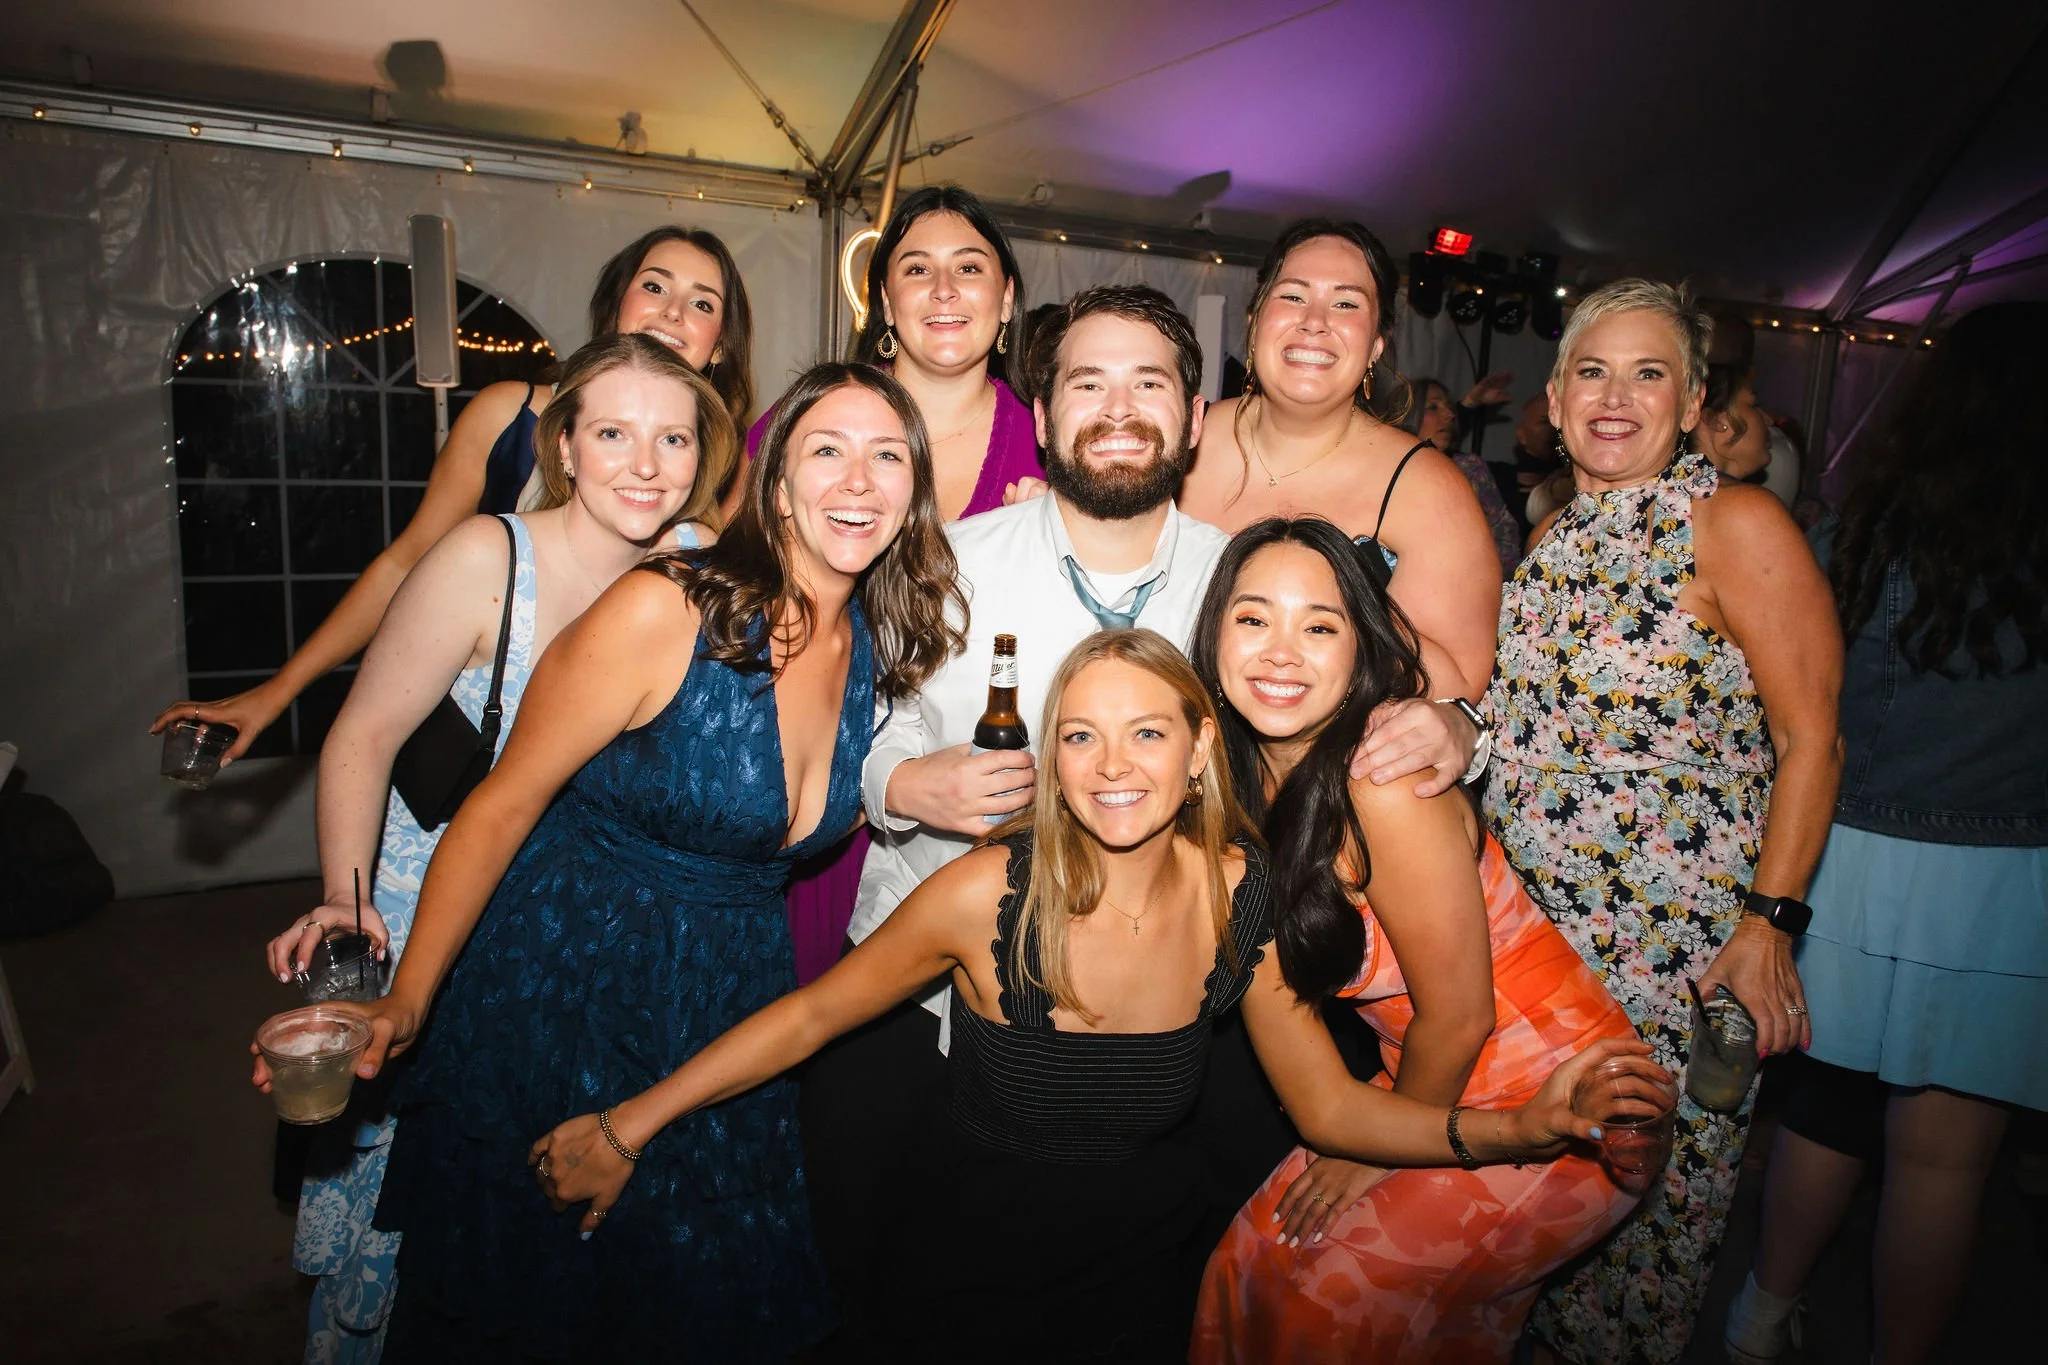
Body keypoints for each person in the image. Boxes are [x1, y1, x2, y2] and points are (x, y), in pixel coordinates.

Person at [527, 628, 1670, 1363]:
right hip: (964, 1271)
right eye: (1080, 736)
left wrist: (1517, 1127)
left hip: (1136, 1276)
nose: (1112, 766)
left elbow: (1327, 1111)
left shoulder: (1239, 894)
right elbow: (812, 1015)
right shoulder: (985, 896)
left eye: (1143, 734)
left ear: (1196, 750)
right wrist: (632, 1122)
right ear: (1051, 756)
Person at [804, 283, 1484, 1352]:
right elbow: (846, 734)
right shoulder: (944, 559)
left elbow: (1389, 679)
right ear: (1042, 414)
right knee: (899, 1297)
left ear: (1194, 416)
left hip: (1163, 1034)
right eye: (1086, 382)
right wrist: (900, 787)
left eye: (1148, 383)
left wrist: (1454, 723)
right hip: (932, 1003)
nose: (1116, 408)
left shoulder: (1243, 579)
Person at [255, 362, 964, 1360]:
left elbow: (811, 821)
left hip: (727, 1015)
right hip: (566, 998)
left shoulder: (873, 640)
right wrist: (408, 999)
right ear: (774, 482)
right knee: (539, 1311)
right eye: (826, 451)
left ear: (913, 487)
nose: (858, 481)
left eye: (886, 455)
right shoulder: (667, 608)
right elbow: (501, 808)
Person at [256, 334, 730, 1364]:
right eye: (612, 433)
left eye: (672, 438)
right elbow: (366, 734)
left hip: (578, 936)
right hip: (437, 909)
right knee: (398, 1226)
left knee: (532, 1223)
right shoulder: (487, 556)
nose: (645, 465)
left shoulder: (697, 565)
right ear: (563, 442)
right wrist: (345, 902)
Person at [1484, 279, 1843, 1365]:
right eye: (1590, 370)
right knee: (1531, 1222)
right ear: (1551, 394)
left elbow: (1810, 741)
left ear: (1690, 402)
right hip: (1538, 943)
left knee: (1639, 1235)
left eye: (1648, 374)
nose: (1614, 396)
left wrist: (1767, 926)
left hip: (1668, 952)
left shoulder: (1731, 522)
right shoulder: (1552, 524)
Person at [1186, 517, 1646, 1361]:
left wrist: (1380, 1157)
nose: (1281, 651)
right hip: (1430, 1076)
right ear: (1213, 634)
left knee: (1322, 1300)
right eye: (1253, 618)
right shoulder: (1240, 786)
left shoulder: (1386, 782)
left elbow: (1463, 1013)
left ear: (1359, 652)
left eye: (1319, 626)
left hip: (1559, 1090)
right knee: (1252, 1258)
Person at [1724, 302, 2048, 1365]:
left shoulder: (1854, 527)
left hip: (1847, 862)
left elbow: (1805, 708)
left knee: (1820, 1118)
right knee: (1944, 1167)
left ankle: (1760, 1316)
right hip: (2001, 878)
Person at [155, 226, 755, 764]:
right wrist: (278, 691)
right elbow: (407, 560)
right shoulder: (510, 416)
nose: (674, 312)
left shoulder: (723, 469)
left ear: (720, 344)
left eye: (702, 303)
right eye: (655, 286)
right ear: (615, 303)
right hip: (478, 743)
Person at [750, 186, 1043, 986]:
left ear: (1007, 296)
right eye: (918, 268)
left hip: (964, 826)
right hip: (804, 800)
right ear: (884, 297)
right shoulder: (802, 425)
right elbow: (728, 591)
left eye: (970, 267)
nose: (945, 290)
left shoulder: (1050, 453)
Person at [1179, 218, 1500, 702]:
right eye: (1292, 296)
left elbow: (1455, 691)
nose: (1314, 321)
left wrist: (1347, 601)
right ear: (1254, 320)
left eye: (1346, 303)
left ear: (1376, 344)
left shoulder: (1424, 487)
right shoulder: (1179, 440)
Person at [1406, 375, 1523, 574]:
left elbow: (1504, 536)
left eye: (1449, 407)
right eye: (1433, 407)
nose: (1450, 414)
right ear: (1407, 415)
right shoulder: (1385, 472)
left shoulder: (1469, 469)